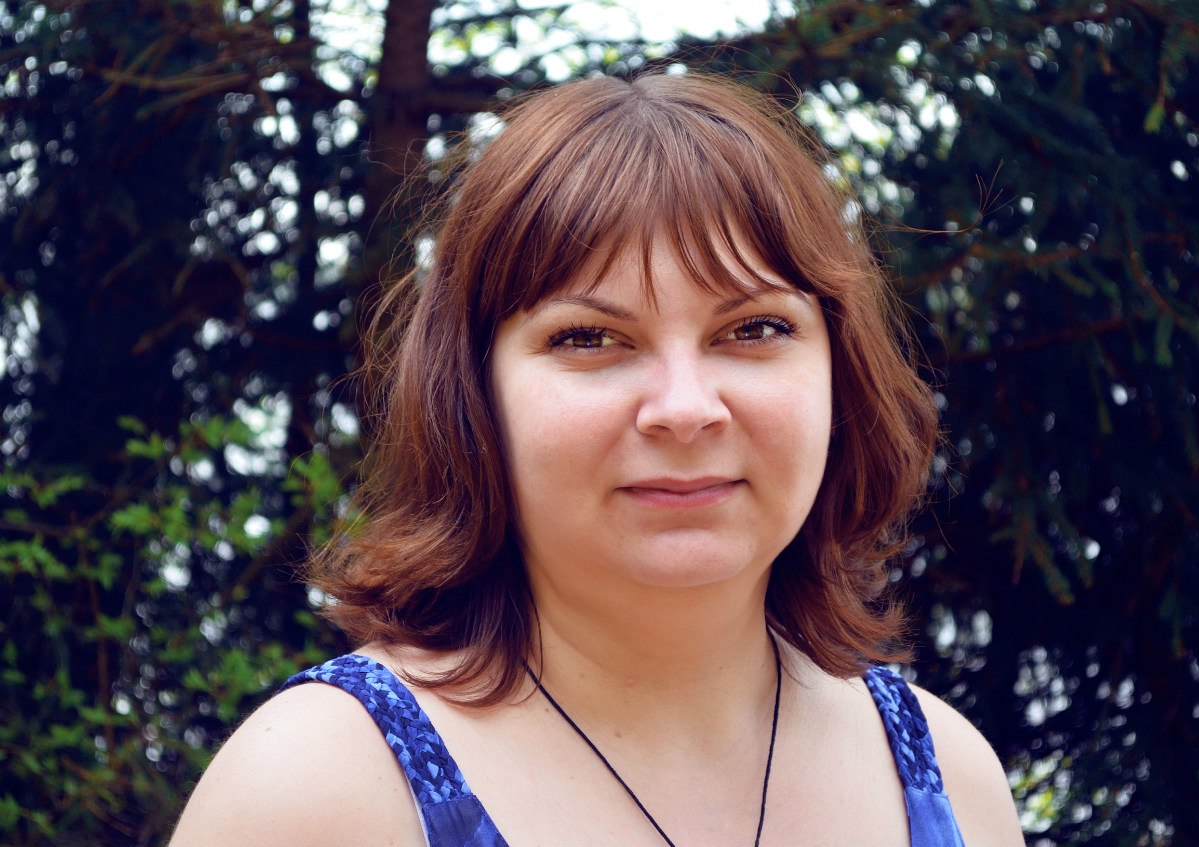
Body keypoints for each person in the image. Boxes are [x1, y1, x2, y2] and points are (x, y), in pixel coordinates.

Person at [170, 71, 1023, 847]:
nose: (685, 408)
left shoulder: (952, 780)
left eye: (753, 328)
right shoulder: (316, 792)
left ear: (839, 370)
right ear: (473, 391)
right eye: (589, 337)